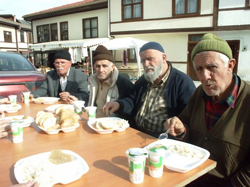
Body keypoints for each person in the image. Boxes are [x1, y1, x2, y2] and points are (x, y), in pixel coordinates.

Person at [165, 33, 250, 187]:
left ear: (230, 65)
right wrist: (180, 130)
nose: (204, 76)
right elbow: (185, 128)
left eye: (212, 67)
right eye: (199, 69)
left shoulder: (247, 99)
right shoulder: (199, 94)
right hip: (190, 176)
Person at [102, 42, 196, 137]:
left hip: (162, 140)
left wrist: (180, 128)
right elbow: (132, 100)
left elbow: (189, 120)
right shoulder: (144, 79)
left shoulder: (182, 82)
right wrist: (118, 104)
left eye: (150, 59)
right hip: (135, 132)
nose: (146, 64)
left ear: (163, 58)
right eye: (143, 60)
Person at [68, 45, 133, 118]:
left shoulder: (123, 82)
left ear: (112, 67)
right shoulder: (93, 80)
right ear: (94, 67)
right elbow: (91, 102)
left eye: (104, 66)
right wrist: (78, 100)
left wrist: (119, 104)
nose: (101, 70)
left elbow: (131, 105)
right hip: (94, 120)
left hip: (113, 124)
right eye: (98, 66)